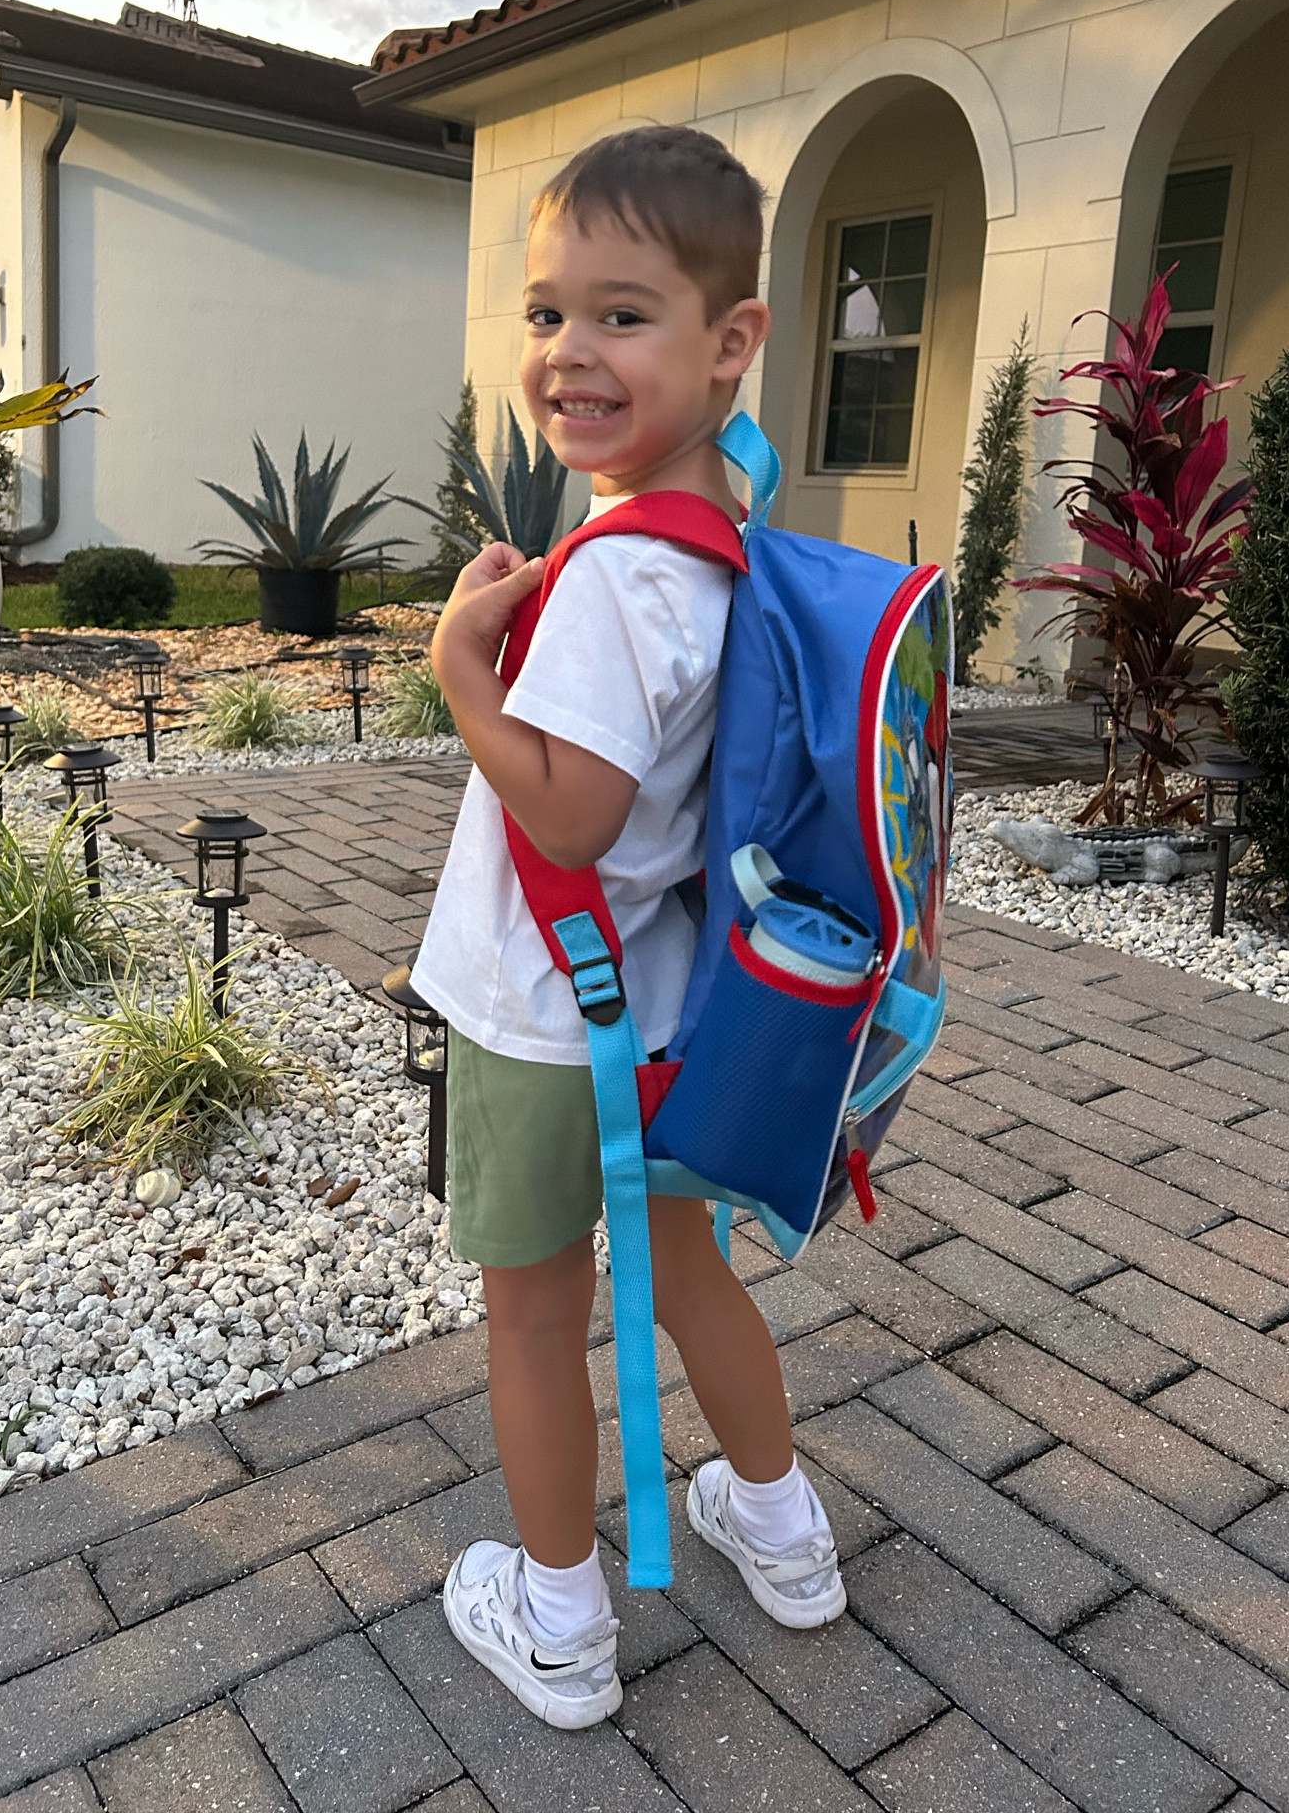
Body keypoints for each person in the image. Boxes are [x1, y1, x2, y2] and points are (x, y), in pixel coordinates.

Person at [413, 125, 846, 1733]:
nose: (570, 353)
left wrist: (464, 670)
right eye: (545, 315)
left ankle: (562, 1627)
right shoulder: (719, 536)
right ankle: (785, 1535)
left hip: (544, 1017)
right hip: (664, 1006)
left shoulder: (608, 583)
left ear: (731, 342)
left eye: (621, 314)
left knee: (531, 1314)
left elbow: (571, 815)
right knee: (686, 1273)